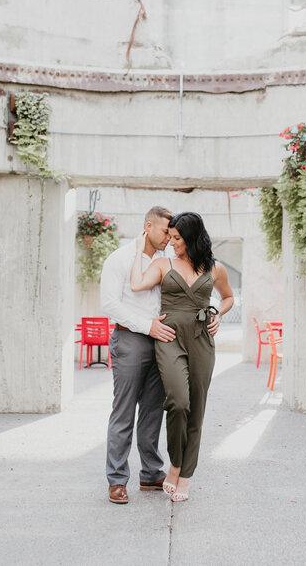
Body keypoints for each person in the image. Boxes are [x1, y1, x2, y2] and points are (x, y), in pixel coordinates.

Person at [130, 211, 234, 502]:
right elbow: (137, 284)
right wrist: (140, 252)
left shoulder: (215, 269)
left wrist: (217, 313)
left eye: (177, 238)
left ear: (191, 238)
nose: (171, 242)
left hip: (202, 340)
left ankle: (184, 475)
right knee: (178, 402)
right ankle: (175, 462)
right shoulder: (163, 264)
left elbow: (228, 298)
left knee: (197, 409)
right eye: (170, 236)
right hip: (170, 339)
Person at [100, 205, 177, 505]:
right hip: (131, 340)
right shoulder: (119, 259)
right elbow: (109, 304)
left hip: (160, 342)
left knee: (152, 411)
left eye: (172, 234)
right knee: (124, 411)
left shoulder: (165, 260)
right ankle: (117, 480)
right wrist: (147, 327)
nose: (168, 238)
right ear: (148, 226)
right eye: (164, 232)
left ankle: (151, 473)